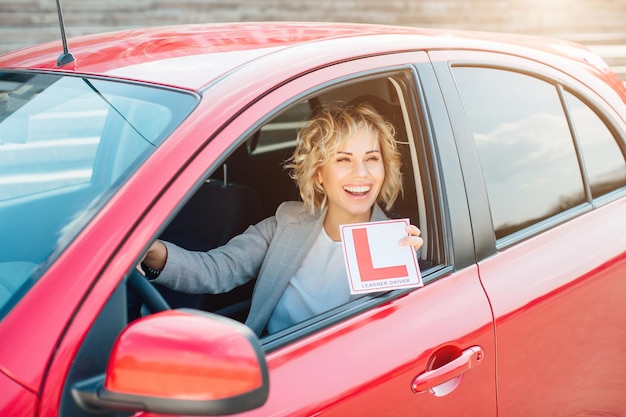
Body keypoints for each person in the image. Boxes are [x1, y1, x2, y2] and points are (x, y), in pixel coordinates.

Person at [139, 101, 423, 335]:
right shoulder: (287, 220)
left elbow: (392, 336)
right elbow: (217, 270)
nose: (361, 173)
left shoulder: (396, 244)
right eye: (343, 159)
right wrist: (151, 252)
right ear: (318, 174)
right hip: (274, 366)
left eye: (372, 158)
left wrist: (408, 275)